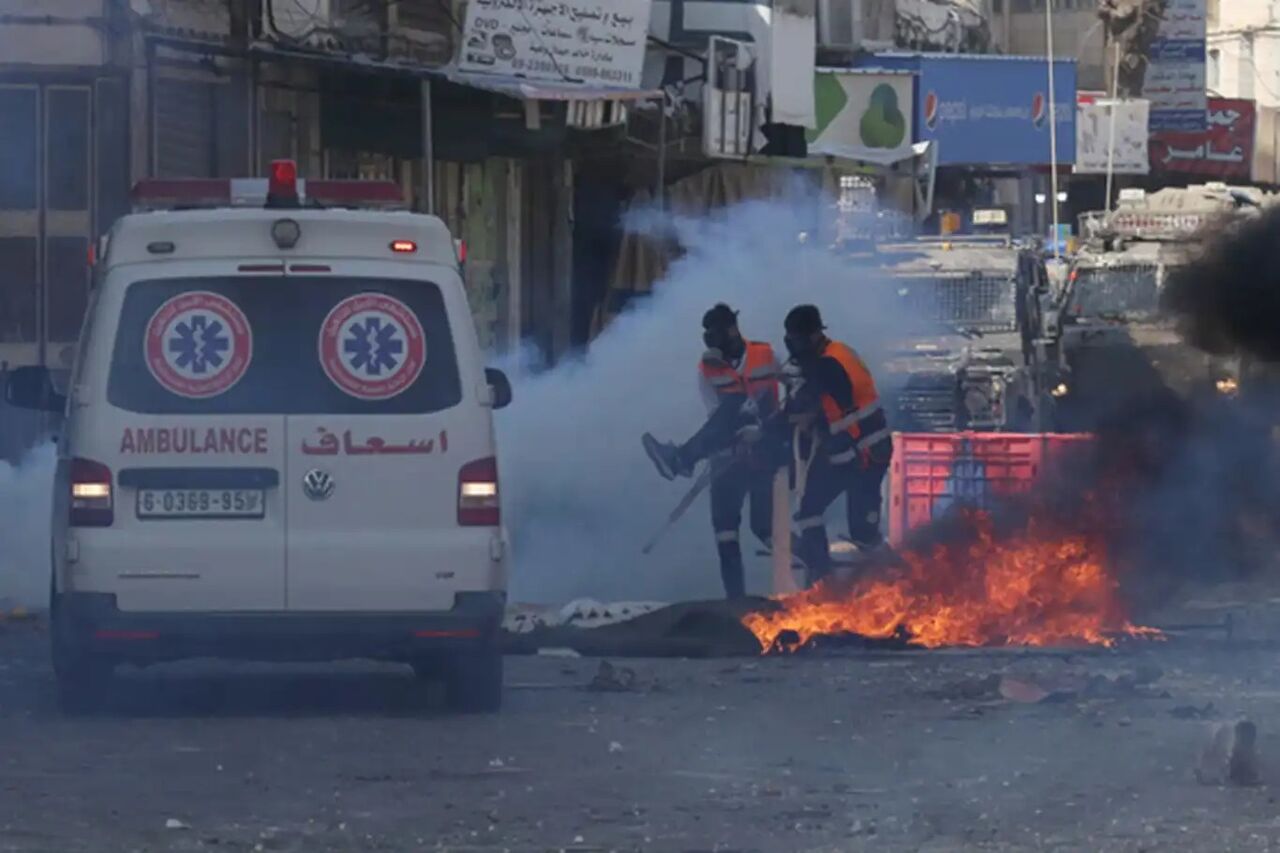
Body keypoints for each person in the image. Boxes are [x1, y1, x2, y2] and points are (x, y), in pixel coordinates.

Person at [643, 303, 782, 598]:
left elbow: (783, 400)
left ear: (732, 329)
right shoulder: (706, 369)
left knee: (766, 529)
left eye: (715, 331)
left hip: (765, 448)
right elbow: (716, 416)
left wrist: (762, 431)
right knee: (725, 531)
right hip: (727, 452)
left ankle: (682, 459)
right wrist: (730, 444)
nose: (711, 338)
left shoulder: (766, 355)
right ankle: (736, 603)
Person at [781, 304, 892, 586]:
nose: (793, 346)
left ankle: (897, 582)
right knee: (809, 510)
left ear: (814, 335)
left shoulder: (828, 365)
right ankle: (822, 584)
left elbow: (819, 400)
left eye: (796, 339)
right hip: (850, 451)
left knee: (862, 530)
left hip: (865, 453)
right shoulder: (838, 352)